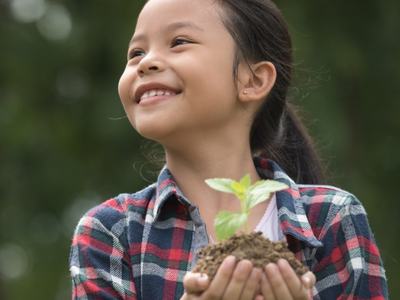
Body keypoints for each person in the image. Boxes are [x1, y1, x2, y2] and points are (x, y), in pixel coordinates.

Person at [69, 0, 388, 299]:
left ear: (252, 80)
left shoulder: (332, 218)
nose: (146, 62)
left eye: (179, 41)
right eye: (136, 52)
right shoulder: (110, 232)